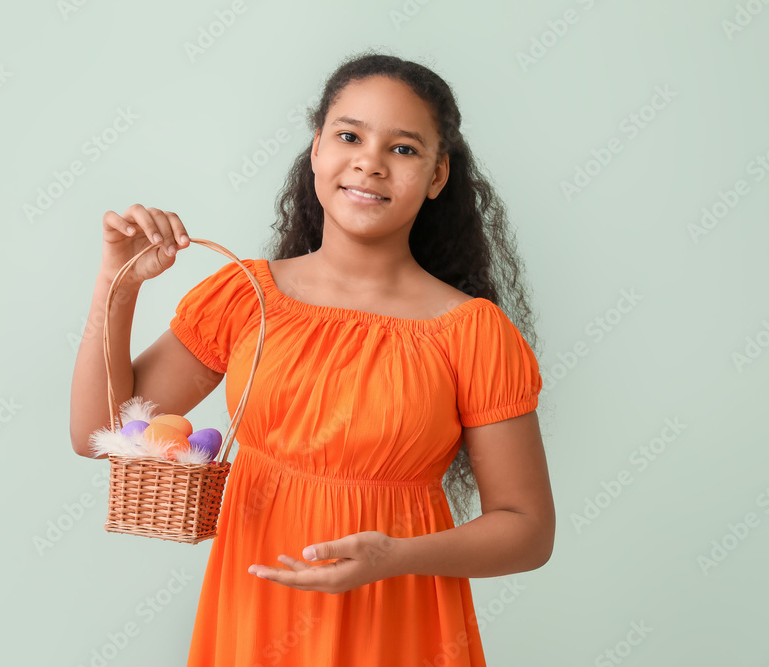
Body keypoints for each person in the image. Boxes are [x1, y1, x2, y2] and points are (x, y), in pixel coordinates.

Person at [70, 50, 555, 666]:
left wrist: (396, 558)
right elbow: (98, 434)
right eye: (349, 135)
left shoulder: (472, 333)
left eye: (403, 149)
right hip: (254, 617)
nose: (369, 162)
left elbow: (527, 529)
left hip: (395, 624)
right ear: (317, 151)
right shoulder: (246, 296)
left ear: (438, 177)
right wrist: (118, 284)